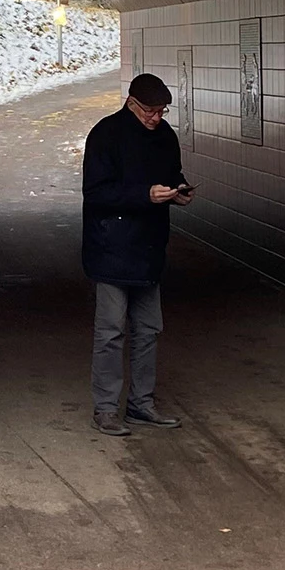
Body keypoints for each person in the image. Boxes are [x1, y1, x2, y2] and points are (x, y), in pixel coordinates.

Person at [82, 73, 194, 437]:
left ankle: (141, 404)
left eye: (161, 111)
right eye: (150, 110)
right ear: (131, 103)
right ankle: (106, 409)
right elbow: (96, 193)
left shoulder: (165, 137)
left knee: (149, 330)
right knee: (111, 332)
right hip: (111, 247)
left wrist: (178, 192)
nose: (156, 118)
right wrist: (145, 195)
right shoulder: (106, 134)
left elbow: (172, 173)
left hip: (148, 248)